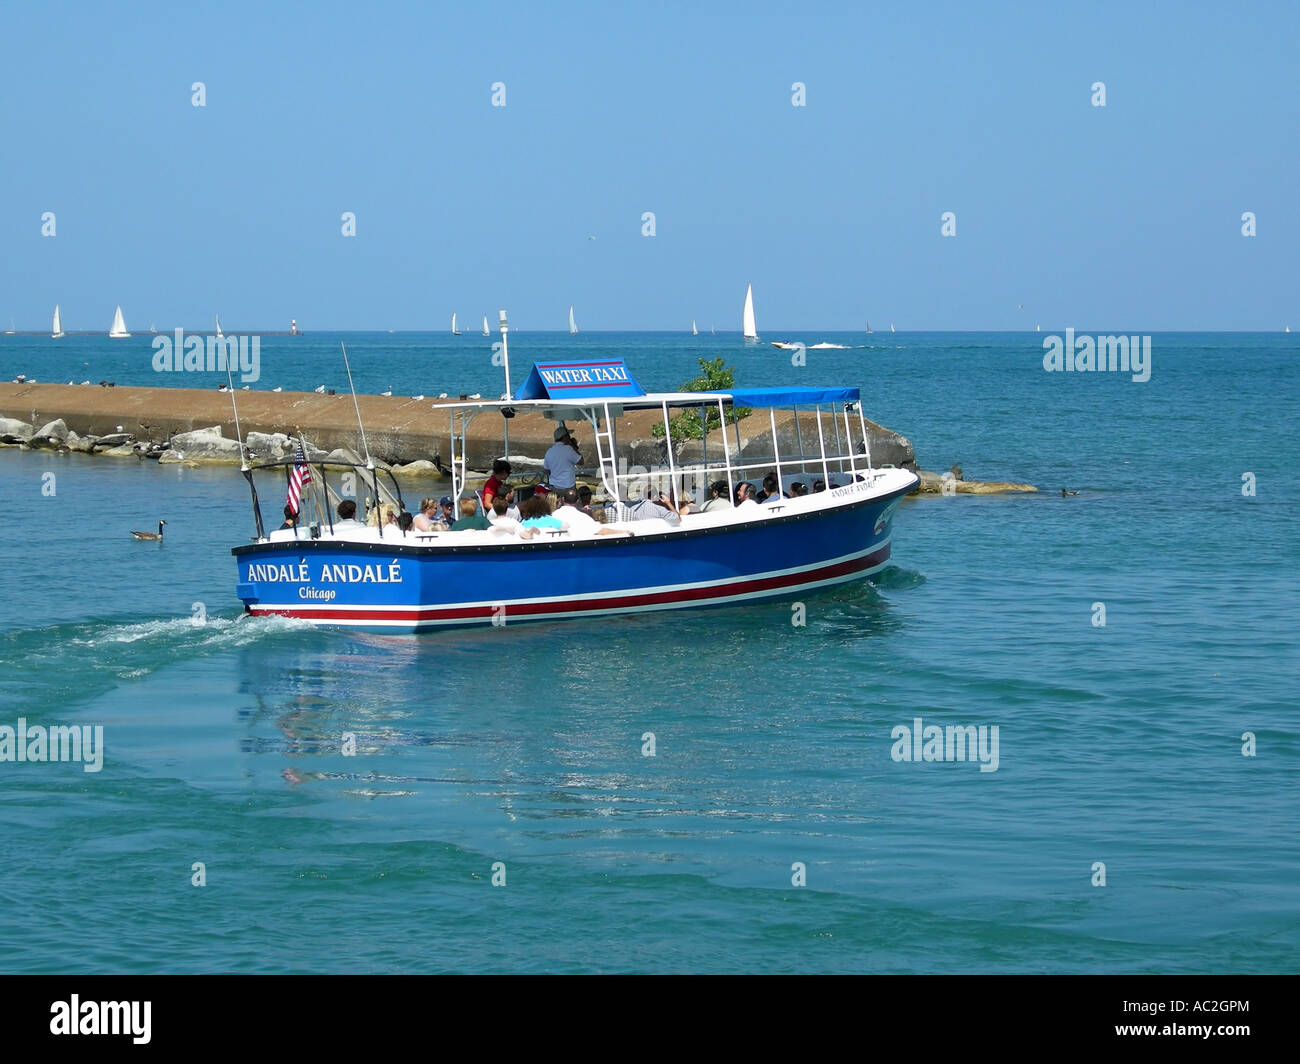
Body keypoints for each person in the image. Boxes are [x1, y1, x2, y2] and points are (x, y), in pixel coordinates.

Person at [555, 489, 632, 537]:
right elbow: (601, 531)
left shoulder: (553, 515)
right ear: (577, 501)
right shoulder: (582, 517)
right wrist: (622, 532)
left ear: (563, 499)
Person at [543, 424, 583, 491]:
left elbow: (546, 470)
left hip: (554, 487)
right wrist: (573, 446)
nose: (570, 437)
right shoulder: (568, 449)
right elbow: (581, 461)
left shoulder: (549, 451)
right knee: (574, 501)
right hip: (568, 487)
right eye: (568, 436)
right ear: (565, 437)